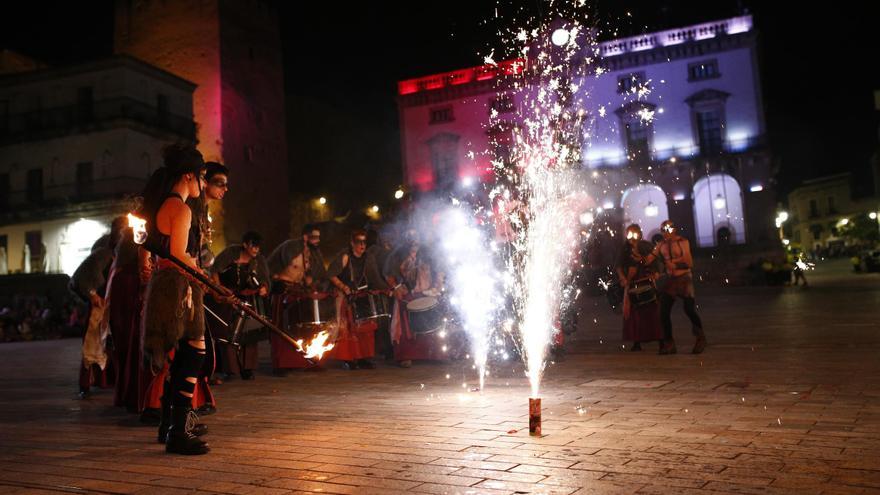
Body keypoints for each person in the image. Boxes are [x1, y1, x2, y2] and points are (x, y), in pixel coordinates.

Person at [140, 143, 213, 455]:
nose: (203, 184)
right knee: (195, 350)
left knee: (182, 354)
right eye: (201, 177)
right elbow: (178, 254)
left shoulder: (164, 205)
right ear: (188, 176)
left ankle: (170, 423)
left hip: (169, 285)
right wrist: (200, 273)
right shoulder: (179, 208)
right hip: (179, 285)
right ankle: (178, 432)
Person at [70, 217, 126, 398]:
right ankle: (84, 385)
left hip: (113, 307)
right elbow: (81, 275)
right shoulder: (104, 253)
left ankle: (109, 380)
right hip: (99, 307)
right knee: (92, 347)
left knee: (112, 346)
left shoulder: (122, 254)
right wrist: (92, 293)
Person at [209, 231, 270, 380]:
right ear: (245, 245)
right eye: (253, 246)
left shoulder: (259, 261)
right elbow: (215, 270)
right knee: (228, 333)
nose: (256, 250)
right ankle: (231, 370)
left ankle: (248, 369)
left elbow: (265, 280)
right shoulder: (231, 253)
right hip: (229, 298)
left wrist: (264, 288)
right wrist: (218, 290)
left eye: (257, 247)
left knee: (249, 334)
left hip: (250, 299)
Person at [643, 220, 706, 354]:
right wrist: (641, 259)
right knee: (663, 311)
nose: (666, 233)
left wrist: (675, 265)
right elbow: (650, 258)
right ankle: (669, 343)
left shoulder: (682, 242)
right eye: (663, 230)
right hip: (671, 280)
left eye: (668, 230)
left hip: (684, 278)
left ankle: (701, 338)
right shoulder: (661, 245)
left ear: (674, 230)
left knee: (689, 309)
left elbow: (689, 262)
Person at [385, 230, 446, 368]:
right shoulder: (397, 256)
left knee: (432, 323)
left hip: (426, 293)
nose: (414, 241)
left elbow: (438, 271)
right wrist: (397, 288)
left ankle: (434, 354)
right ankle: (406, 356)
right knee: (406, 326)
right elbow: (389, 274)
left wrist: (437, 287)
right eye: (410, 238)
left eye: (416, 237)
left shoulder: (427, 255)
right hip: (407, 295)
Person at [266, 233, 324, 374]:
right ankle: (280, 365)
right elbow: (269, 267)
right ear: (305, 237)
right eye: (313, 237)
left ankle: (300, 361)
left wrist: (309, 280)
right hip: (282, 290)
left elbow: (314, 273)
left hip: (297, 290)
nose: (317, 240)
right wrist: (274, 282)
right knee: (279, 328)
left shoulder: (312, 254)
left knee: (301, 328)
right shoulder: (289, 248)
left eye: (318, 237)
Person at [327, 230, 377, 370]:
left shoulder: (368, 258)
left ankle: (363, 358)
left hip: (360, 295)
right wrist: (343, 287)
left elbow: (374, 277)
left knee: (365, 327)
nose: (362, 245)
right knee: (347, 328)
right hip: (344, 295)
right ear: (352, 243)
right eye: (358, 242)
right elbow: (331, 274)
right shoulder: (344, 256)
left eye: (364, 242)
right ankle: (348, 358)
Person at [615, 224, 663, 352]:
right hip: (632, 282)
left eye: (635, 234)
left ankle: (660, 339)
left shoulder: (646, 246)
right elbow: (619, 265)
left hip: (646, 281)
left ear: (640, 234)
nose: (632, 237)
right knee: (634, 313)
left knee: (652, 310)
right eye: (629, 234)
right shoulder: (625, 249)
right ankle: (637, 341)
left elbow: (656, 261)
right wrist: (623, 278)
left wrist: (656, 272)